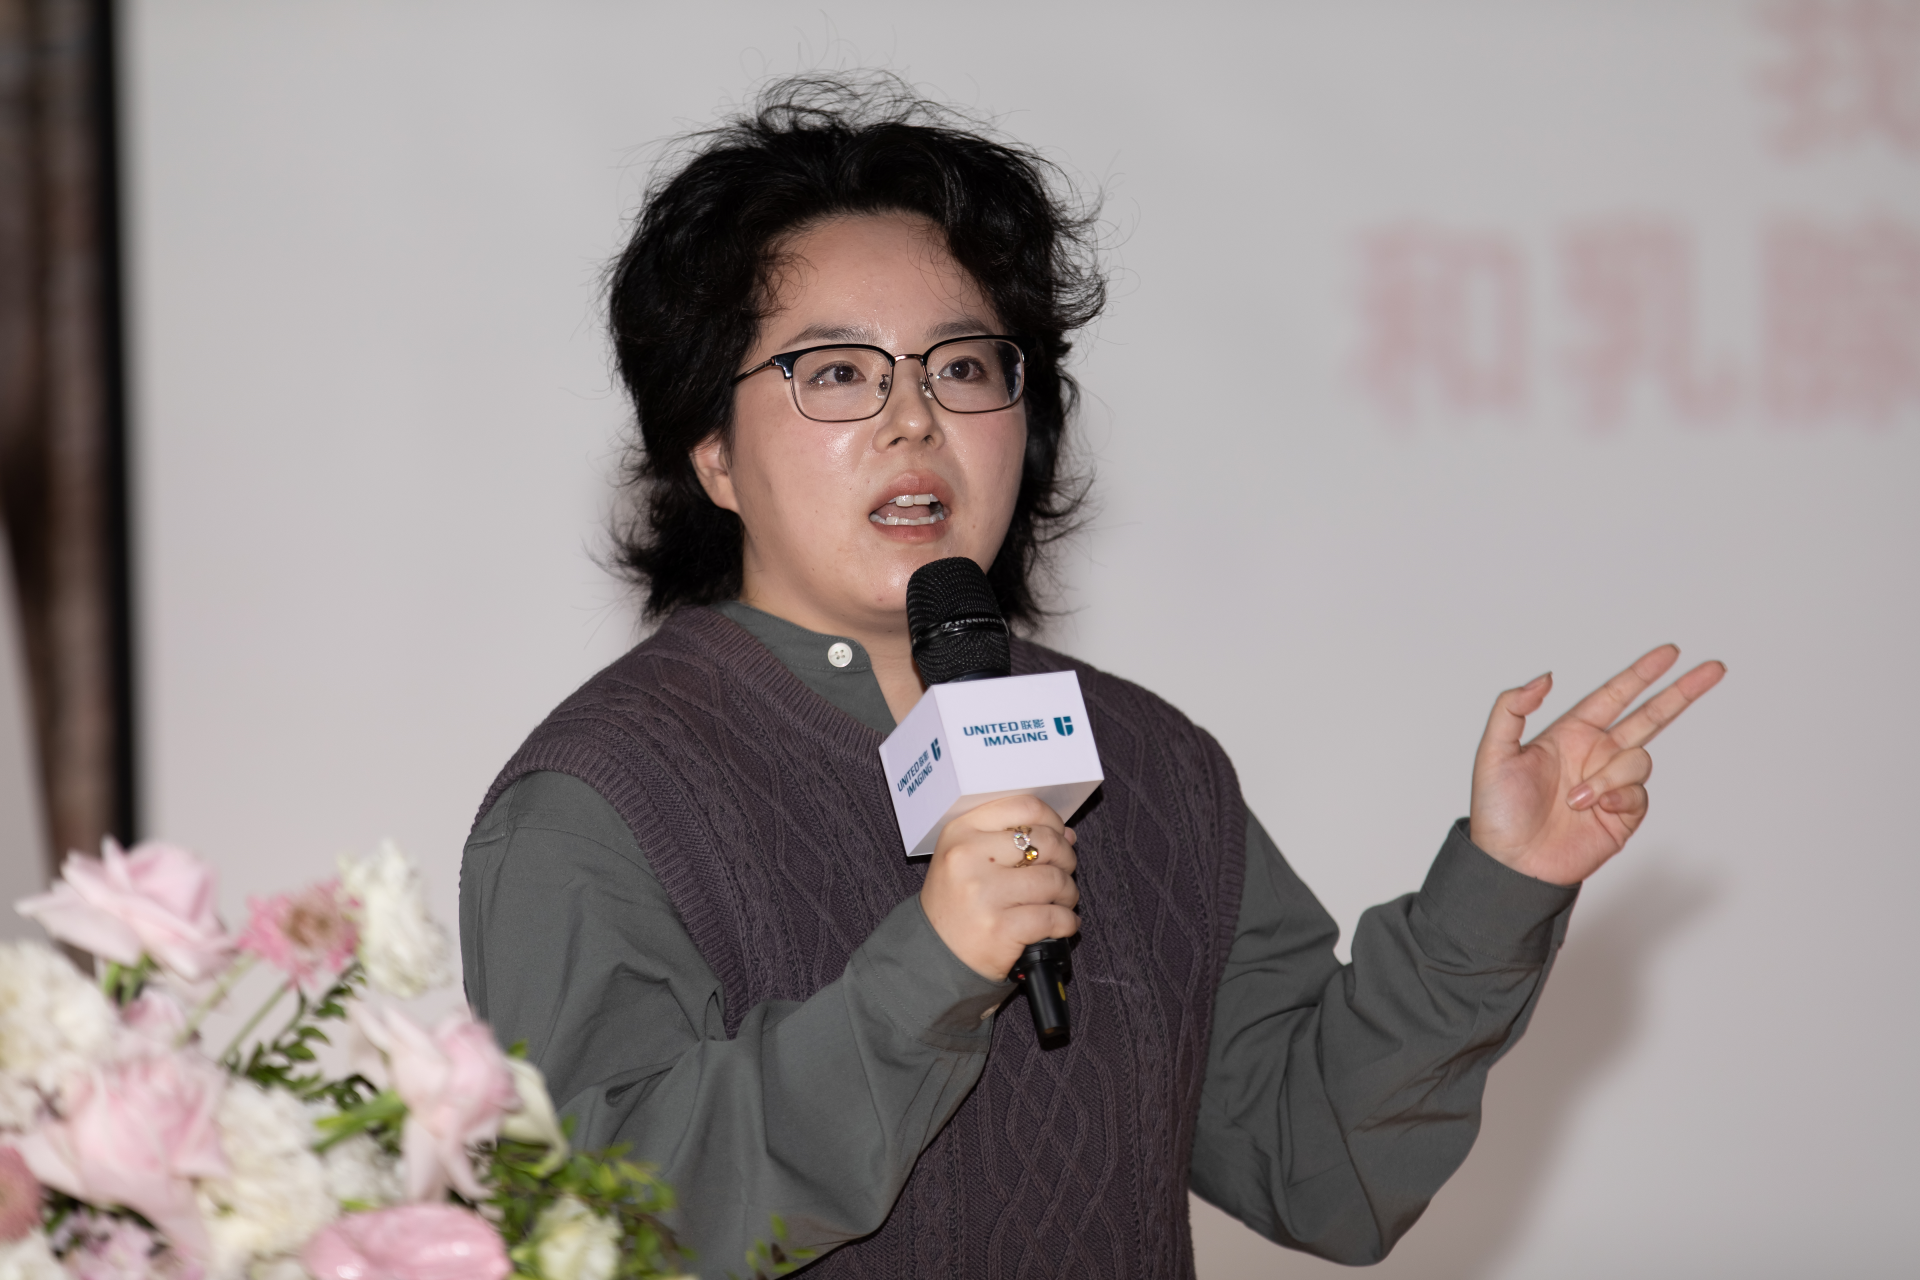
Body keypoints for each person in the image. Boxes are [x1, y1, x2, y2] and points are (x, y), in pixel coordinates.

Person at [459, 76, 1723, 1279]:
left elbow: (1325, 1167)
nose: (915, 418)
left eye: (964, 365)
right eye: (837, 372)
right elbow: (601, 1235)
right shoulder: (599, 800)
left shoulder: (1143, 756)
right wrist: (932, 968)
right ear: (715, 455)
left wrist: (1498, 886)